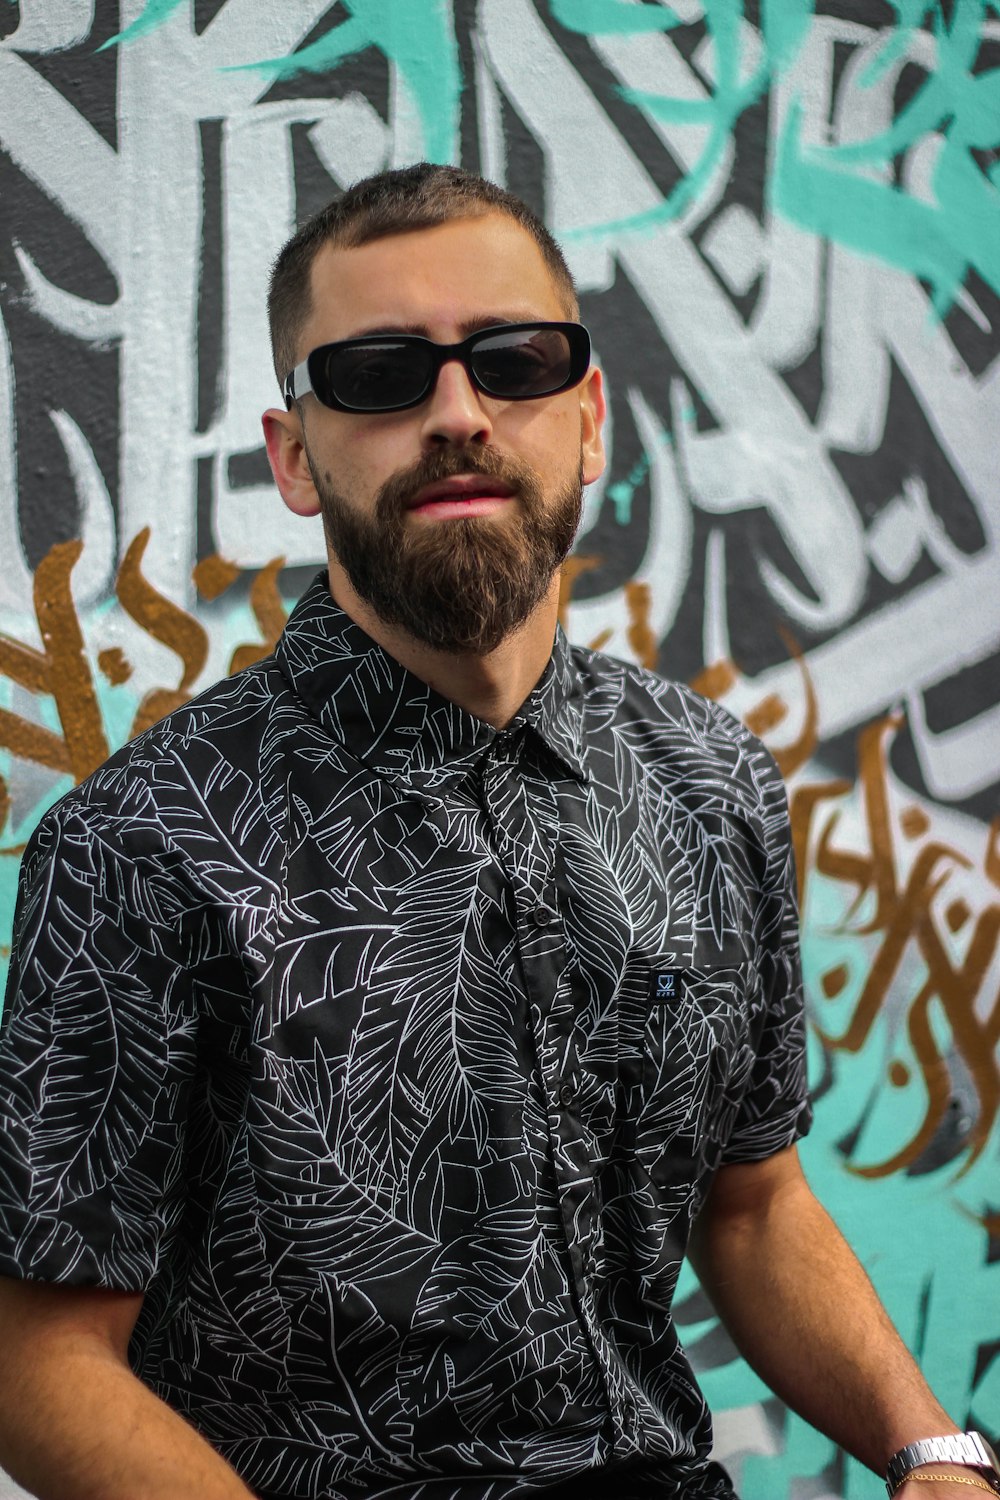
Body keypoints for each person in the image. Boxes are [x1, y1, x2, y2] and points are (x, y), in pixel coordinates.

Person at [0, 165, 993, 1500]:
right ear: (294, 454)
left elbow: (753, 1205)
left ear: (588, 421)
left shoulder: (713, 784)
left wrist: (930, 1450)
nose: (458, 412)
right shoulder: (142, 846)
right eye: (378, 375)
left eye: (515, 361)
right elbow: (36, 1359)